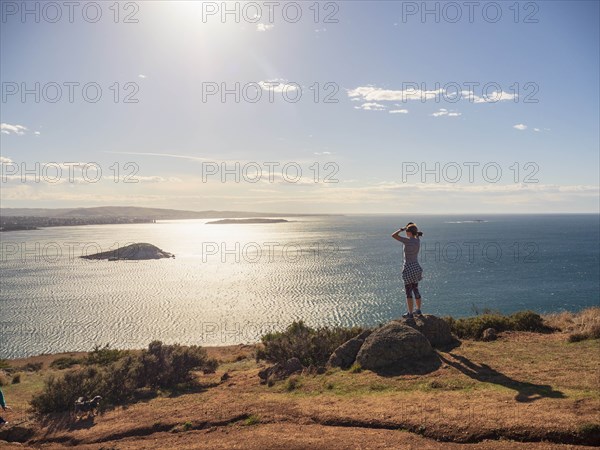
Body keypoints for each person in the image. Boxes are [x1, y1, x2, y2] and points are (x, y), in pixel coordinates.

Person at [392, 222, 424, 319]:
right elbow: (417, 235)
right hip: (416, 267)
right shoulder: (417, 241)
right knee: (416, 288)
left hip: (409, 267)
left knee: (408, 291)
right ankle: (418, 310)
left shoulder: (407, 241)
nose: (405, 232)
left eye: (406, 231)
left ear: (409, 232)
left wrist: (401, 229)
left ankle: (410, 314)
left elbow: (393, 235)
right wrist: (411, 229)